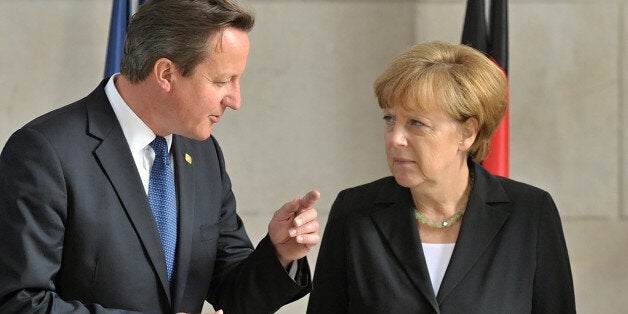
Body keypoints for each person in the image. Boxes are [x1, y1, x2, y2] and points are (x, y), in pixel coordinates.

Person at [0, 0, 320, 313]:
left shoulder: (204, 153)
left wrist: (281, 253)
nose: (236, 100)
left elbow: (232, 290)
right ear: (166, 73)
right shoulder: (44, 153)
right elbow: (20, 301)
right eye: (223, 81)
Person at [307, 41, 575, 313]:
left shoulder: (530, 214)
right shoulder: (354, 211)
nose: (395, 138)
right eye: (389, 119)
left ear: (467, 133)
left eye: (416, 123)